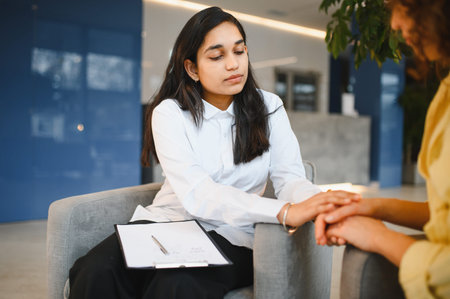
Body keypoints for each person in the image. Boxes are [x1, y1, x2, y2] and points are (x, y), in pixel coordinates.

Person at [69, 6, 359, 299]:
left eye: (239, 51)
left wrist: (319, 203)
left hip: (232, 235)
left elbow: (290, 179)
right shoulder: (170, 113)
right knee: (94, 271)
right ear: (192, 68)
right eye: (217, 56)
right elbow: (198, 193)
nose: (233, 64)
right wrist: (284, 212)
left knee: (178, 285)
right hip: (166, 224)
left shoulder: (269, 107)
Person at [315, 0, 450, 298]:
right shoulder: (445, 91)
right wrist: (373, 206)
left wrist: (379, 237)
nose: (395, 25)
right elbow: (445, 216)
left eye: (400, 8)